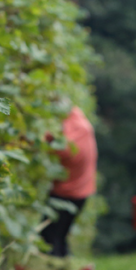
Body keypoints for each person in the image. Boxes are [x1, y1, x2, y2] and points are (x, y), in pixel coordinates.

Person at [42, 106, 97, 257]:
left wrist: (43, 135)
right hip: (83, 192)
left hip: (68, 194)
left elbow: (52, 147)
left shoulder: (70, 145)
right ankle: (63, 269)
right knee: (60, 235)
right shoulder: (79, 121)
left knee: (49, 237)